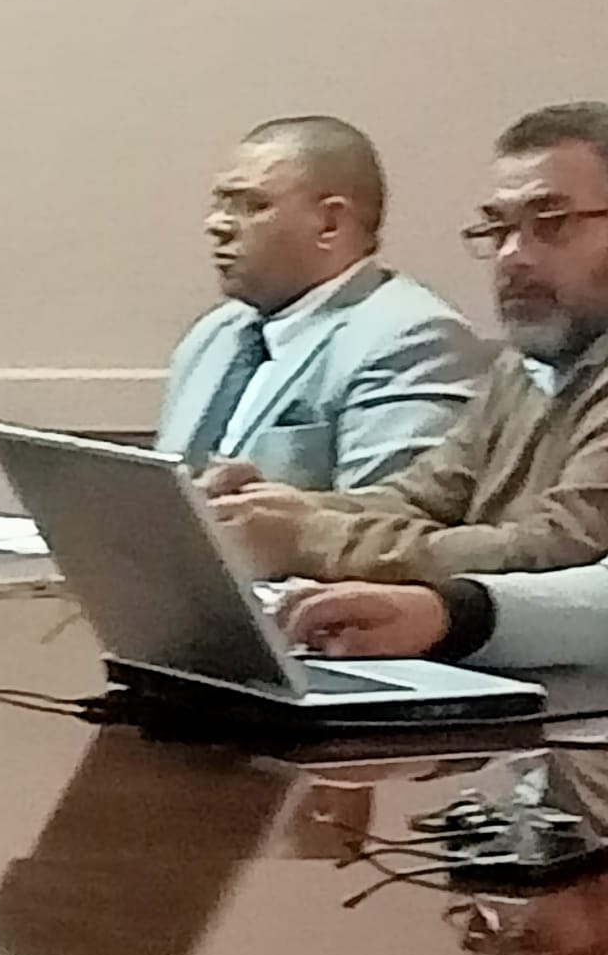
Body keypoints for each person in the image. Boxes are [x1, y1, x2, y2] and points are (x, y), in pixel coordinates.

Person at [211, 101, 608, 596]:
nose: (512, 257)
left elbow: (559, 549)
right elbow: (424, 496)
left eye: (551, 222)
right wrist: (271, 510)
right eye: (498, 229)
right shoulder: (521, 366)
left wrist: (310, 539)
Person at [156, 116, 487, 490]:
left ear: (330, 223)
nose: (217, 224)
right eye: (221, 203)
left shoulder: (417, 341)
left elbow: (386, 515)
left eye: (252, 204)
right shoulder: (214, 334)